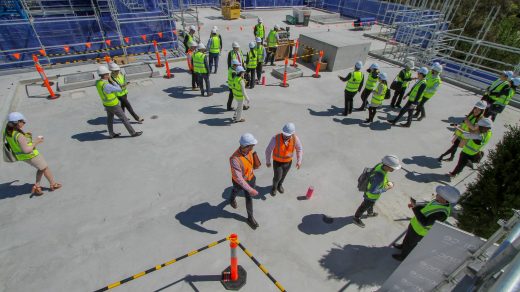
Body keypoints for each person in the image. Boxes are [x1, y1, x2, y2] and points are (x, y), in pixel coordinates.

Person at [392, 185, 460, 261]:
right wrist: (416, 205)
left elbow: (425, 222)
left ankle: (403, 256)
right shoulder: (436, 201)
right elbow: (426, 208)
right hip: (415, 225)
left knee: (410, 244)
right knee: (407, 238)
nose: (436, 195)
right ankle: (402, 246)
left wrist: (415, 207)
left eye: (439, 195)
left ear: (444, 199)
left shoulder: (442, 213)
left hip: (420, 231)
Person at [4, 112, 62, 196]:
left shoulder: (7, 131)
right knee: (44, 167)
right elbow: (26, 150)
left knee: (42, 168)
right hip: (31, 155)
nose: (24, 123)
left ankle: (41, 185)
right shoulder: (18, 135)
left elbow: (14, 144)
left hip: (21, 156)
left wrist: (26, 137)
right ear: (17, 123)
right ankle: (48, 185)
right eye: (22, 121)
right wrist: (36, 141)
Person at [353, 155, 401, 228]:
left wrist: (387, 181)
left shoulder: (380, 165)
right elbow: (373, 191)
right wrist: (387, 187)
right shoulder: (379, 176)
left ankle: (370, 213)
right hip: (370, 195)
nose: (393, 170)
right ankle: (356, 218)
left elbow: (383, 178)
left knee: (371, 204)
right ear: (387, 166)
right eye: (393, 168)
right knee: (364, 206)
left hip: (370, 192)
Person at [96, 66, 142, 138]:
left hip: (106, 104)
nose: (109, 75)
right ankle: (133, 133)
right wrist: (112, 81)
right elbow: (119, 89)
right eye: (108, 74)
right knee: (124, 119)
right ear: (105, 75)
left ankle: (111, 133)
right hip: (113, 105)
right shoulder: (107, 85)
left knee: (110, 119)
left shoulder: (98, 83)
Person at [229, 133, 260, 229]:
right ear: (246, 146)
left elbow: (249, 162)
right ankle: (231, 199)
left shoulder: (249, 151)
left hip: (251, 178)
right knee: (236, 190)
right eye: (251, 146)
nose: (253, 147)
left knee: (249, 198)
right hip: (239, 182)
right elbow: (239, 178)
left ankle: (250, 218)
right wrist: (250, 189)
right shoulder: (234, 159)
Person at [265, 123, 303, 196]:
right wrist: (268, 161)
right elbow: (268, 150)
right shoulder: (275, 138)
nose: (285, 136)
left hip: (288, 162)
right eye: (284, 134)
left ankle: (280, 185)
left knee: (283, 176)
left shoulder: (295, 139)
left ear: (292, 134)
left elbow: (299, 149)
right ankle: (274, 187)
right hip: (277, 163)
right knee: (277, 177)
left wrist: (299, 161)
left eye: (288, 135)